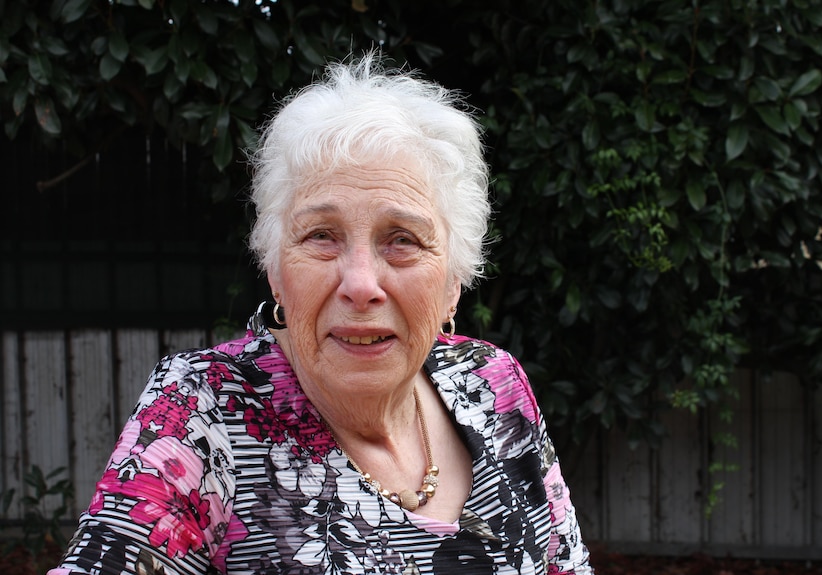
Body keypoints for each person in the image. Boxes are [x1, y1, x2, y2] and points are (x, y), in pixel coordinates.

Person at [49, 51, 594, 575]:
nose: (360, 285)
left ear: (454, 281)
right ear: (277, 272)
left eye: (402, 239)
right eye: (322, 236)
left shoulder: (492, 384)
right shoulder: (204, 409)